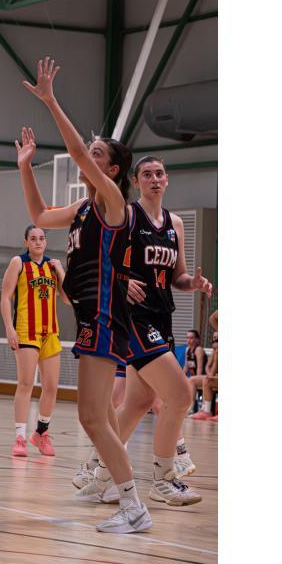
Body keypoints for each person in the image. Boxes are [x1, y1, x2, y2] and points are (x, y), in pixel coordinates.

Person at [15, 57, 150, 534]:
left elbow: (73, 152)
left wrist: (51, 100)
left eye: (96, 153)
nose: (86, 156)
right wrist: (25, 167)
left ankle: (132, 505)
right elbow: (38, 213)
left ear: (111, 169)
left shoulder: (114, 202)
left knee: (93, 417)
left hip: (107, 316)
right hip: (93, 316)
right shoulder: (81, 208)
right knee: (100, 417)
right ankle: (119, 492)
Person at [80, 156, 212, 507]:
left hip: (162, 317)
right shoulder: (127, 215)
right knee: (181, 395)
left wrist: (193, 283)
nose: (155, 179)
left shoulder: (175, 224)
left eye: (160, 173)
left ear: (167, 180)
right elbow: (101, 261)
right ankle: (163, 479)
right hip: (134, 319)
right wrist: (121, 284)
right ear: (136, 181)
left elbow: (177, 276)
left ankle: (103, 474)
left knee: (138, 402)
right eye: (147, 174)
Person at [0, 226, 70, 457]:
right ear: (26, 242)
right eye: (33, 238)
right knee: (26, 384)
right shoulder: (18, 263)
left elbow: (68, 299)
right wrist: (9, 328)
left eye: (41, 238)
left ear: (45, 242)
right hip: (26, 330)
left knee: (51, 387)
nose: (38, 242)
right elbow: (5, 297)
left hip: (50, 332)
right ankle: (20, 438)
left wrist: (61, 271)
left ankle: (41, 433)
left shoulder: (52, 266)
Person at [189, 331, 219, 420]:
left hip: (216, 376)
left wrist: (211, 374)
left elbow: (202, 367)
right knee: (192, 380)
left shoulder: (198, 350)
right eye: (214, 338)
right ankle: (191, 408)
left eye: (217, 338)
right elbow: (207, 366)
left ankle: (207, 410)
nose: (216, 340)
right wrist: (209, 373)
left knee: (206, 380)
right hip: (213, 375)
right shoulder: (214, 350)